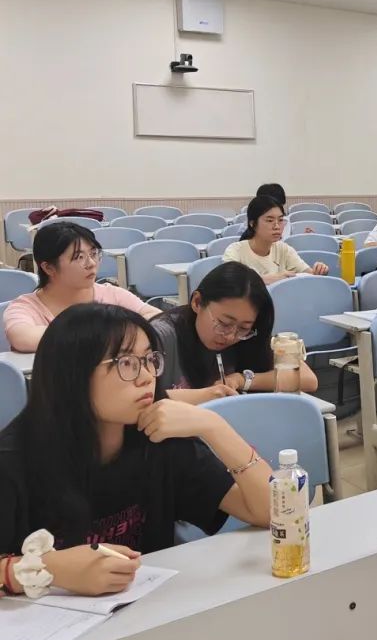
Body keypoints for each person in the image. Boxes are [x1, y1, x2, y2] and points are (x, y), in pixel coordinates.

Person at [0, 304, 272, 595]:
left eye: (149, 360)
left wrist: (214, 426)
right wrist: (46, 569)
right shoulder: (14, 459)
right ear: (72, 374)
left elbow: (270, 512)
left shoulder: (157, 438)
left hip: (151, 608)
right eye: (126, 363)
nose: (146, 377)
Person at [151, 262, 317, 403]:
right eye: (224, 323)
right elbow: (137, 401)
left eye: (243, 328)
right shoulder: (159, 336)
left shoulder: (250, 336)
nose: (230, 336)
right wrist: (206, 395)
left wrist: (242, 379)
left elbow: (308, 379)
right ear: (197, 302)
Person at [4, 221, 159, 353]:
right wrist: (110, 334)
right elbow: (22, 337)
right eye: (79, 257)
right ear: (49, 268)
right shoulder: (26, 307)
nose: (91, 263)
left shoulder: (112, 295)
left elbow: (157, 318)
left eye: (93, 254)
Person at [223, 196, 330, 284]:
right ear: (252, 223)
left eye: (280, 220)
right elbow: (228, 282)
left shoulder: (284, 249)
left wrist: (319, 271)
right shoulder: (235, 250)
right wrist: (263, 279)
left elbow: (308, 274)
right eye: (270, 220)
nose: (277, 226)